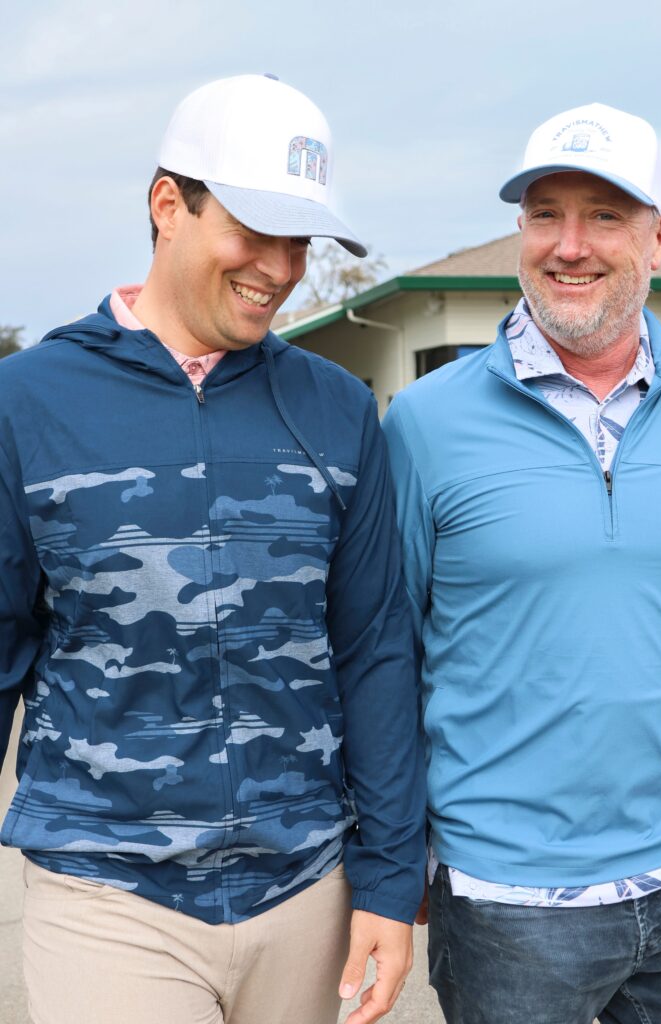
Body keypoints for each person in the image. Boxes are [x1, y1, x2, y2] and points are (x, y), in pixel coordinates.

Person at [0, 73, 425, 1024]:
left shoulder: (338, 407)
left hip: (305, 891)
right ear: (167, 205)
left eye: (299, 241)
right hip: (107, 891)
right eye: (252, 230)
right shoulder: (24, 403)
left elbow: (374, 652)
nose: (277, 267)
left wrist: (391, 884)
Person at [383, 102, 661, 1024]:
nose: (568, 245)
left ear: (660, 235)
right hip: (506, 898)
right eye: (545, 214)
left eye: (604, 215)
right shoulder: (426, 424)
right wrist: (388, 852)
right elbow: (383, 650)